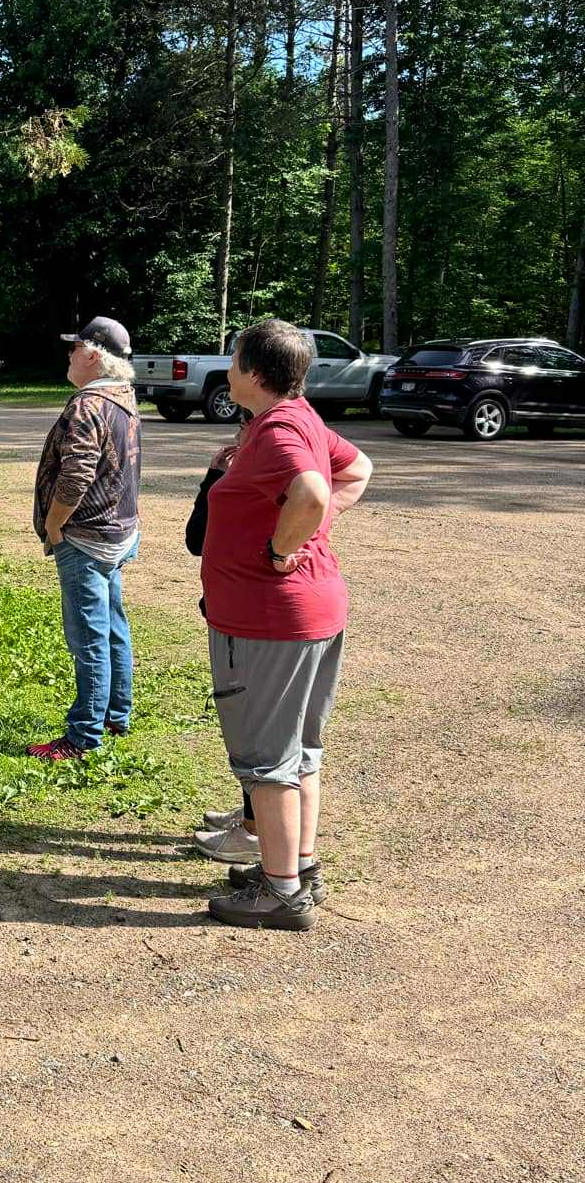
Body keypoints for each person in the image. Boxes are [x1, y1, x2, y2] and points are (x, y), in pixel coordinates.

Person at [199, 318, 373, 930]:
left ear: (253, 371)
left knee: (268, 759)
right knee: (301, 753)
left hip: (271, 619)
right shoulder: (299, 417)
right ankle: (298, 868)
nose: (226, 368)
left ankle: (280, 894)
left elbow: (314, 493)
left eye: (233, 358)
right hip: (311, 611)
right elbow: (357, 470)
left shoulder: (278, 428)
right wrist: (308, 533)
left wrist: (281, 547)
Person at [28, 315, 143, 761]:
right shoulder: (123, 399)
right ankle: (116, 711)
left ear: (94, 356)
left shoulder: (87, 406)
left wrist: (56, 524)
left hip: (87, 537)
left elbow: (76, 476)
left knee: (89, 635)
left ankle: (83, 734)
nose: (69, 355)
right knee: (113, 626)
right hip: (118, 531)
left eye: (74, 348)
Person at [186, 416, 260, 865]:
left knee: (252, 726)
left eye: (242, 431)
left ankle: (255, 830)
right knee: (245, 720)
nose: (235, 439)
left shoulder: (252, 482)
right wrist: (215, 475)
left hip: (248, 619)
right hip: (234, 611)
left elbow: (196, 538)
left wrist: (216, 481)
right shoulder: (245, 473)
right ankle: (253, 814)